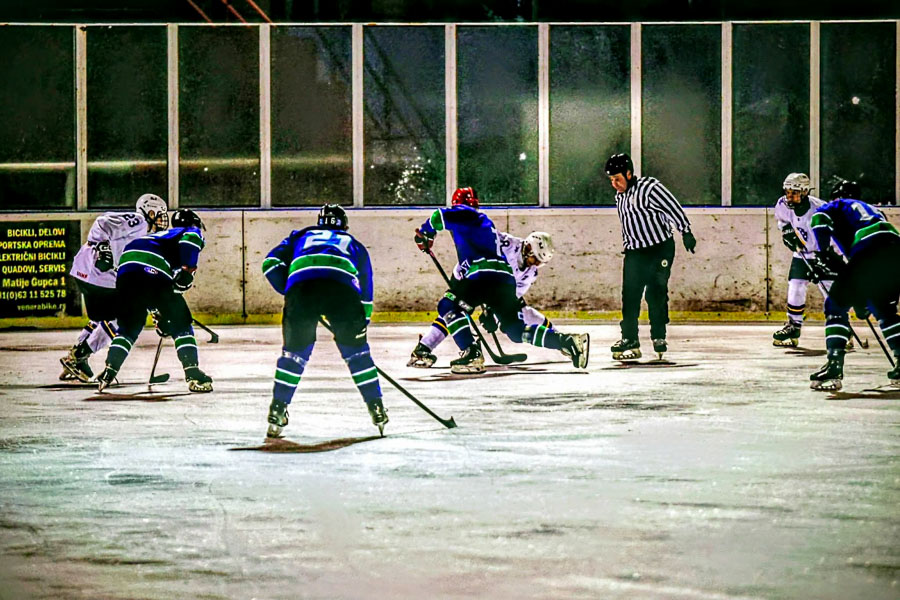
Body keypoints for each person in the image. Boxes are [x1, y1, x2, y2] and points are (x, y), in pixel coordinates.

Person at [413, 187, 589, 374]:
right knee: (514, 329)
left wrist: (426, 234)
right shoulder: (486, 229)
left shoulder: (466, 213)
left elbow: (438, 217)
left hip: (482, 274)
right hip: (504, 281)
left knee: (449, 306)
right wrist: (491, 310)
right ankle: (567, 342)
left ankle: (471, 353)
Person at [261, 204, 387, 438]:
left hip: (301, 290)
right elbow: (366, 291)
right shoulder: (354, 244)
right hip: (343, 291)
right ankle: (376, 407)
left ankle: (278, 409)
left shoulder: (299, 236)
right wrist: (359, 327)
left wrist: (291, 290)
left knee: (294, 354)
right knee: (357, 355)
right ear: (344, 225)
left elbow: (269, 264)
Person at [95, 209, 213, 393]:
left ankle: (109, 371)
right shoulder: (188, 230)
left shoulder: (159, 238)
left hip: (126, 270)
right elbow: (190, 241)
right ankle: (193, 373)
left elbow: (147, 288)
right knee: (181, 323)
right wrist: (188, 271)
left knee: (129, 326)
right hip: (151, 267)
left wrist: (157, 312)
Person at [59, 193, 169, 382]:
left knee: (101, 317)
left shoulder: (143, 239)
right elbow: (102, 222)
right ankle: (79, 356)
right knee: (122, 318)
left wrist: (155, 310)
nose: (162, 220)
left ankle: (75, 356)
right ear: (150, 211)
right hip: (98, 273)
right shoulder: (139, 221)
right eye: (159, 215)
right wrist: (102, 247)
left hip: (86, 273)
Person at [408, 230, 557, 368]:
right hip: (470, 277)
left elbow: (512, 297)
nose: (536, 264)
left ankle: (559, 337)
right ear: (528, 248)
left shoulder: (531, 272)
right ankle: (428, 347)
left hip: (497, 287)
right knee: (454, 312)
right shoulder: (506, 243)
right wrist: (429, 234)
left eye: (540, 263)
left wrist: (492, 311)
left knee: (523, 311)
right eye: (535, 259)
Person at [604, 153, 695, 360]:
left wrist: (686, 231)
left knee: (655, 292)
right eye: (611, 180)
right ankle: (630, 339)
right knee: (630, 296)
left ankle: (659, 336)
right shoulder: (620, 196)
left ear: (629, 173)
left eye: (617, 178)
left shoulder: (649, 188)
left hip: (659, 249)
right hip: (635, 252)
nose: (614, 184)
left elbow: (673, 207)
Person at [807, 193, 900, 391]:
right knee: (884, 310)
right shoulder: (873, 210)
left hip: (868, 250)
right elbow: (864, 278)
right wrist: (861, 301)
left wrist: (822, 254)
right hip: (895, 250)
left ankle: (834, 365)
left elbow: (819, 221)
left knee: (835, 304)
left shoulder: (833, 206)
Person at [771, 173, 831, 347]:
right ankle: (793, 325)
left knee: (830, 292)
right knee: (795, 285)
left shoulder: (820, 209)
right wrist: (787, 231)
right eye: (787, 191)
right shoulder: (783, 204)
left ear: (804, 192)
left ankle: (841, 327)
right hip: (801, 254)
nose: (789, 196)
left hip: (824, 254)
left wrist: (823, 259)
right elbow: (783, 221)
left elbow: (834, 236)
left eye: (794, 192)